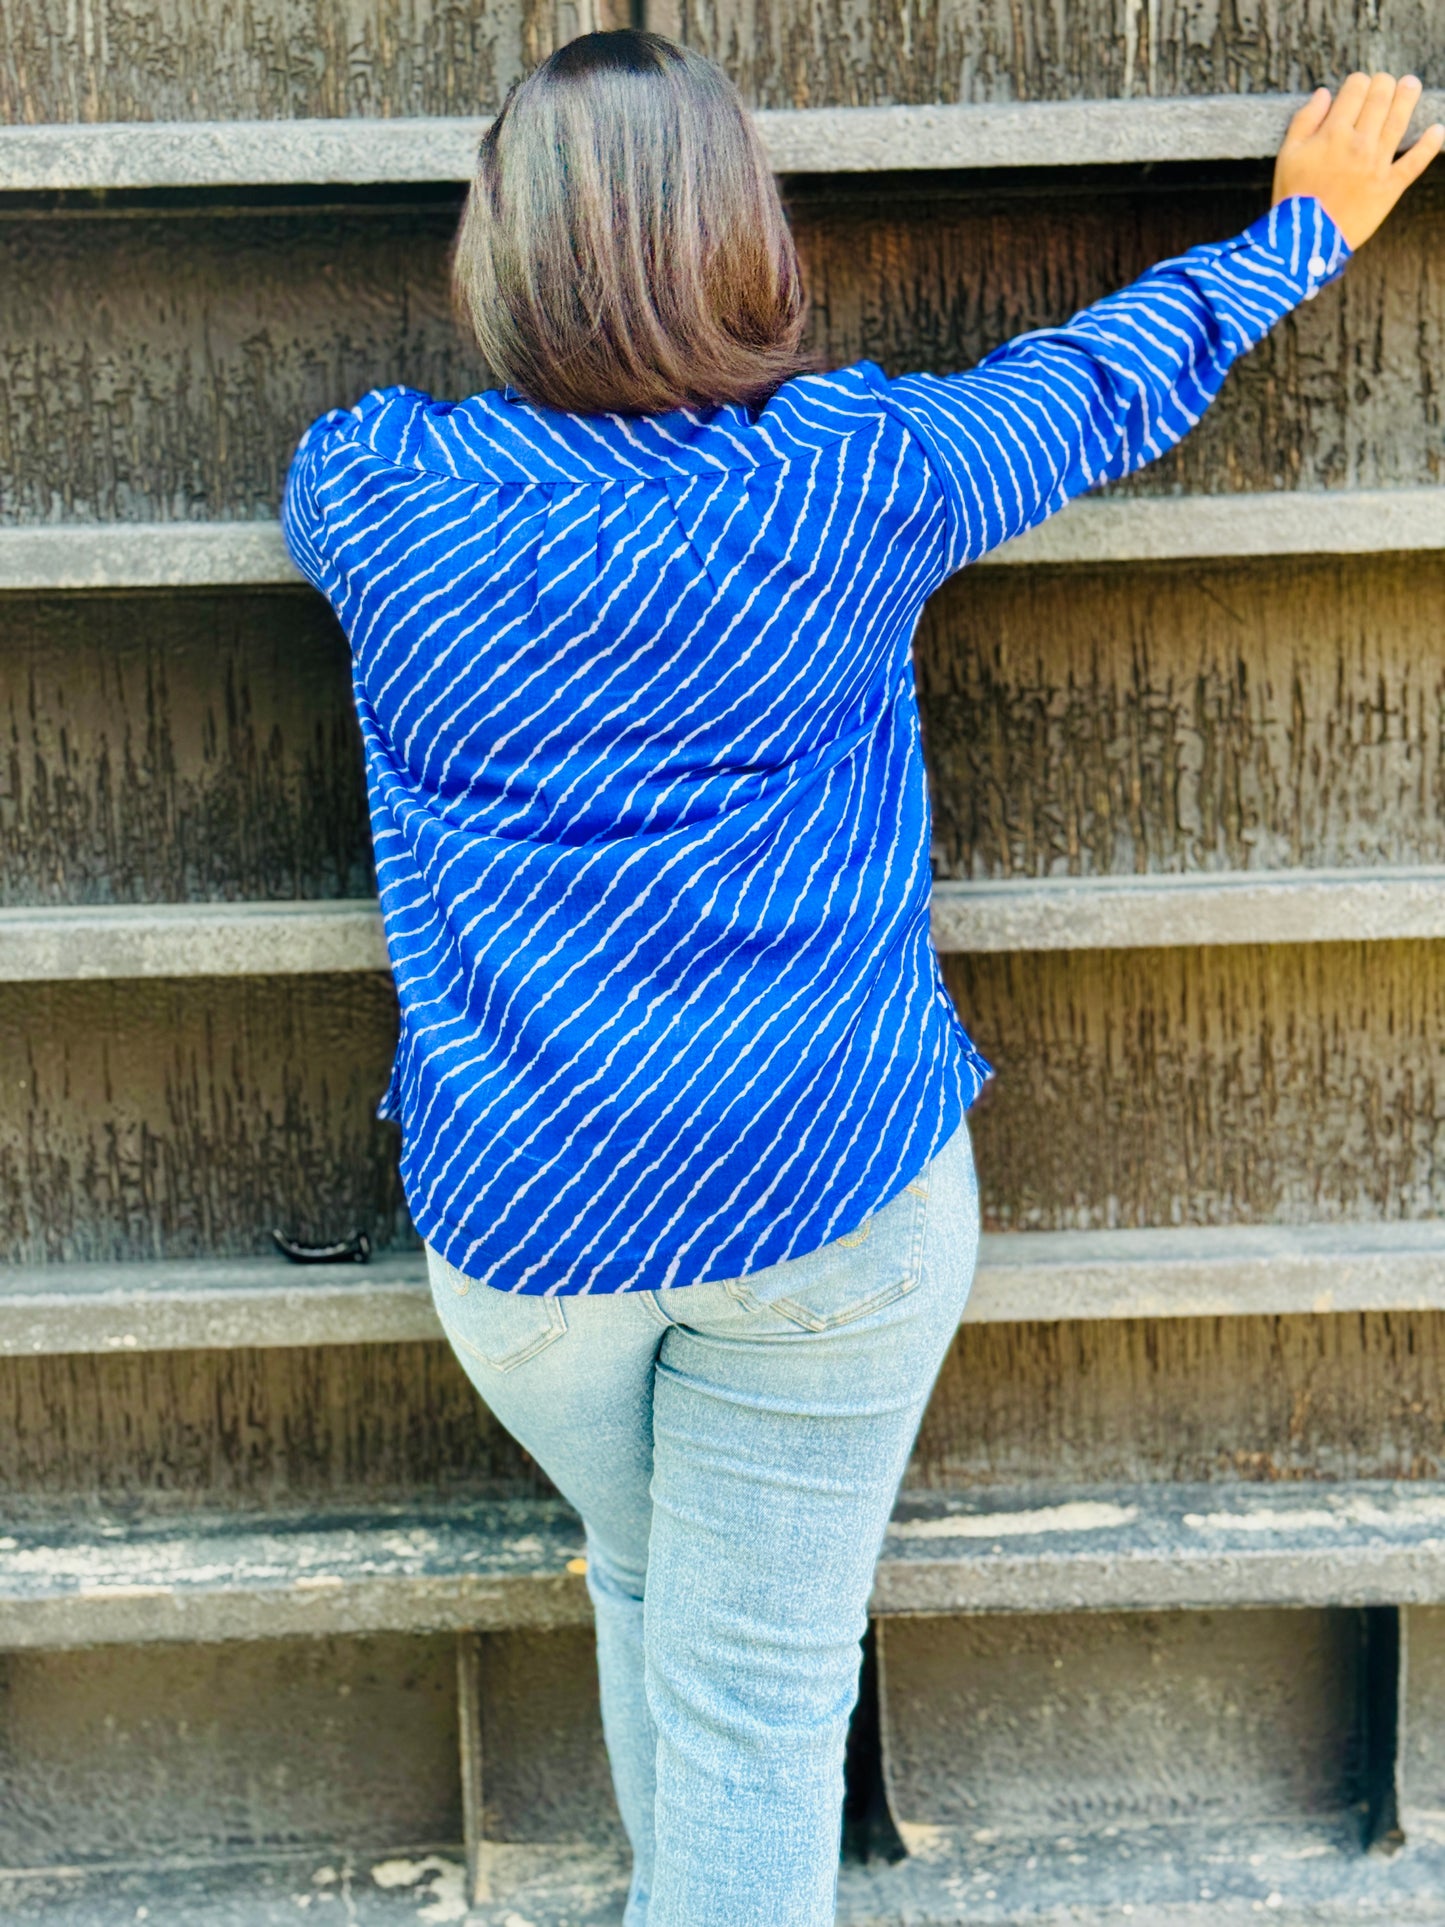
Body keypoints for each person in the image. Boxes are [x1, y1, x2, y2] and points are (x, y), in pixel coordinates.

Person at [282, 39, 1440, 1925]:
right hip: (825, 1209)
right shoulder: (853, 478)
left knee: (667, 1593)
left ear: (499, 252)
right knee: (750, 1695)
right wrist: (1297, 235)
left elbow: (333, 490)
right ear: (750, 238)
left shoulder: (377, 489)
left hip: (521, 1244)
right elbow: (1093, 387)